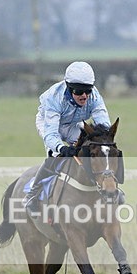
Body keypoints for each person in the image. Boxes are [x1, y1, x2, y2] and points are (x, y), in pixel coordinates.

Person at [23, 61, 111, 216]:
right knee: (56, 158)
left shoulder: (95, 97)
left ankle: (107, 189)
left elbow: (104, 125)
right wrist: (61, 148)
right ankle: (32, 195)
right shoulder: (54, 97)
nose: (84, 96)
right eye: (79, 91)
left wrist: (103, 141)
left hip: (73, 124)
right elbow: (51, 134)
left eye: (88, 90)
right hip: (49, 124)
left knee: (93, 150)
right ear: (69, 88)